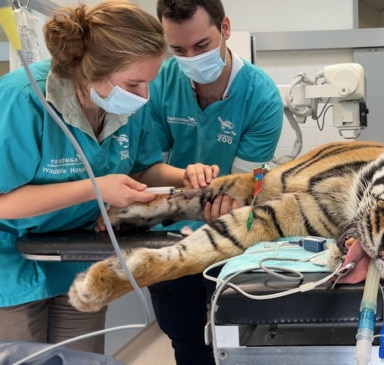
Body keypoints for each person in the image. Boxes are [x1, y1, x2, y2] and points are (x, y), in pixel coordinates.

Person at [0, 0, 219, 354]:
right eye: (134, 84)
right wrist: (95, 189)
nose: (143, 97)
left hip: (78, 254)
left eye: (149, 83)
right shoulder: (22, 100)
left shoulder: (126, 106)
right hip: (11, 267)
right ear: (90, 72)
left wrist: (185, 176)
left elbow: (142, 168)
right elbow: (3, 202)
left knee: (82, 359)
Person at [140, 1, 284, 364]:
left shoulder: (260, 96)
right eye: (178, 49)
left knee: (236, 335)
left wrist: (217, 213)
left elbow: (241, 187)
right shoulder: (159, 83)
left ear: (225, 28)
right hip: (170, 232)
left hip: (231, 230)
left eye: (201, 46)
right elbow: (147, 168)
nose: (190, 57)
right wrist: (183, 181)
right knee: (185, 337)